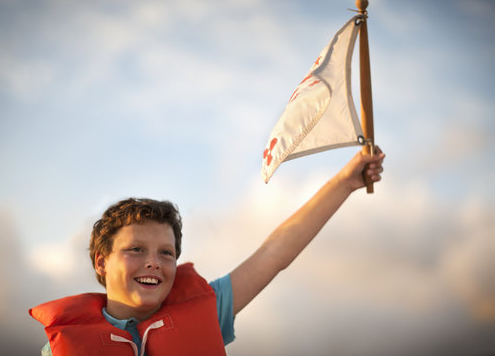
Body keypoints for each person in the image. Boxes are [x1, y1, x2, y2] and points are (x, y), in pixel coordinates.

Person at [30, 147, 385, 355]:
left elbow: (273, 255)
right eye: (137, 249)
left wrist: (345, 183)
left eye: (166, 253)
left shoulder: (209, 308)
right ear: (102, 261)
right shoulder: (59, 349)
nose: (154, 261)